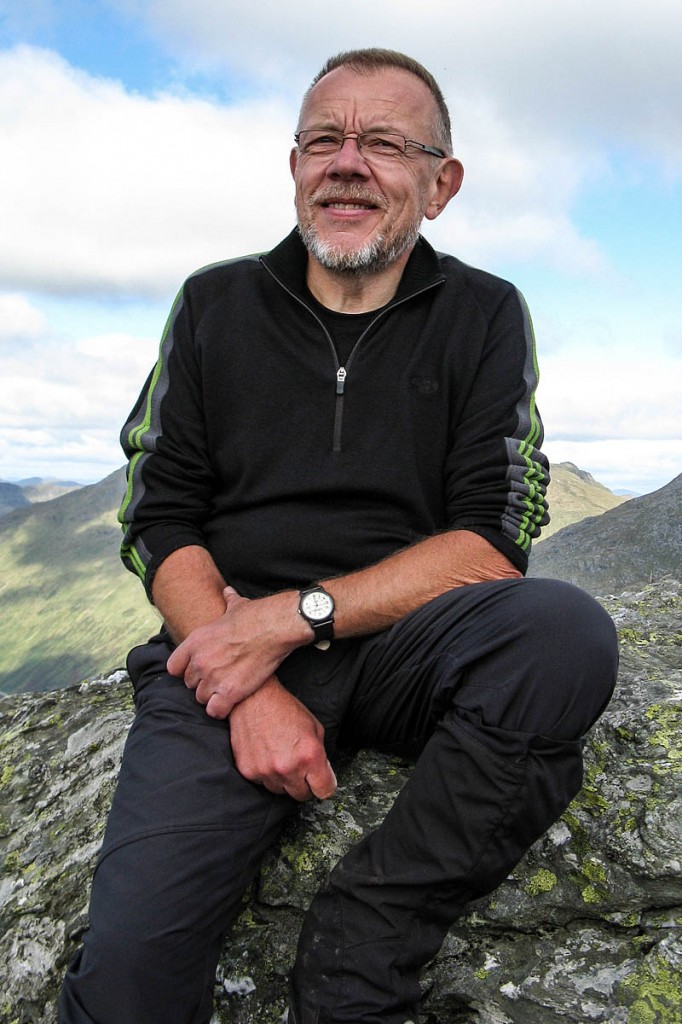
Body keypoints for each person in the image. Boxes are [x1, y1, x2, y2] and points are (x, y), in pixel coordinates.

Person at [59, 47, 618, 1024]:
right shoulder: (213, 303)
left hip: (403, 647)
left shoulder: (484, 313)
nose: (347, 163)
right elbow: (159, 512)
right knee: (128, 975)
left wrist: (292, 618)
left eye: (385, 144)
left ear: (441, 185)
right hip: (224, 647)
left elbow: (493, 539)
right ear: (295, 168)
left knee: (562, 635)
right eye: (325, 139)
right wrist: (246, 683)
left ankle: (361, 947)